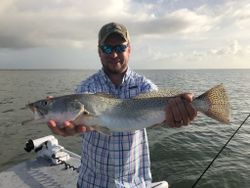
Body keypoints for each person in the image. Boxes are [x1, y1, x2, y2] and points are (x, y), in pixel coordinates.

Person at [48, 22, 197, 188]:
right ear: (99, 51)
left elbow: (160, 120)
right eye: (106, 49)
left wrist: (175, 116)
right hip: (92, 183)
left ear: (129, 49)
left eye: (120, 48)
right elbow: (79, 126)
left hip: (134, 183)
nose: (113, 54)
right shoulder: (86, 89)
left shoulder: (145, 86)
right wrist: (68, 128)